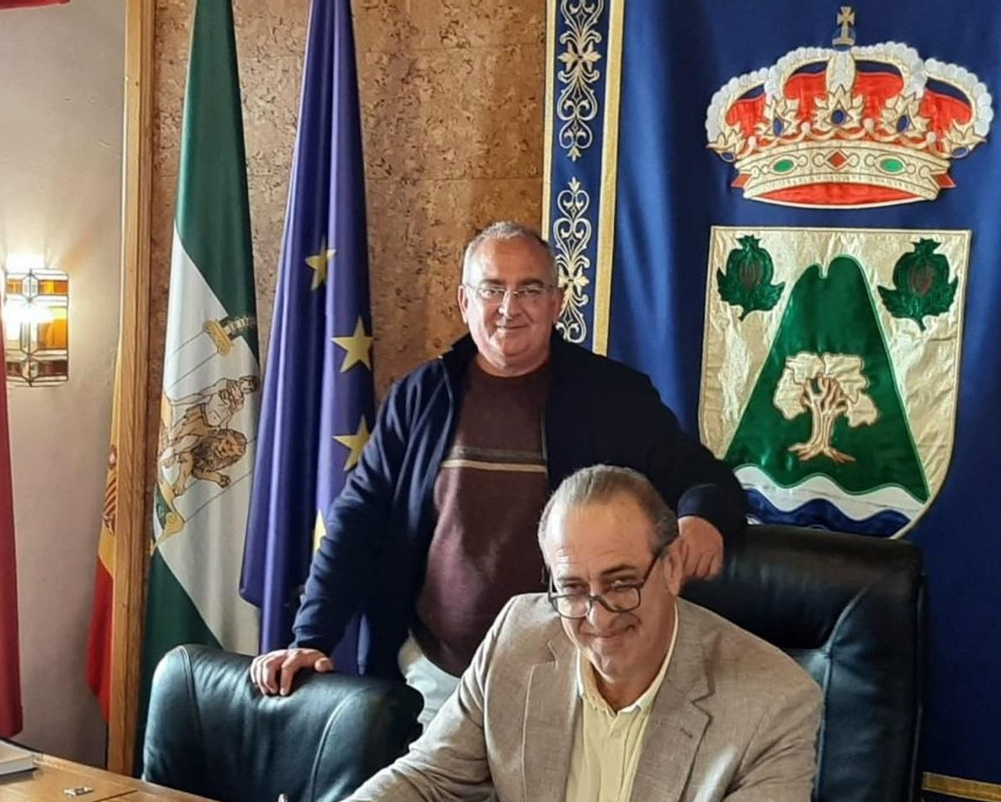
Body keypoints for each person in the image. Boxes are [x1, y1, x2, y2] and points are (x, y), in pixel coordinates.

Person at [240, 466, 820, 802]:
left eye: (621, 584)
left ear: (670, 568)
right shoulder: (521, 634)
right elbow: (434, 780)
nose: (595, 615)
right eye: (571, 588)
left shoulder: (772, 698)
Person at [249, 221, 746, 722]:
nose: (510, 308)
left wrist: (700, 517)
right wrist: (310, 638)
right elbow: (358, 521)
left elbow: (706, 480)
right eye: (493, 290)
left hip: (568, 682)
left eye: (529, 289)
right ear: (465, 302)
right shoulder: (420, 397)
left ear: (556, 303)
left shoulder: (613, 396)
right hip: (432, 681)